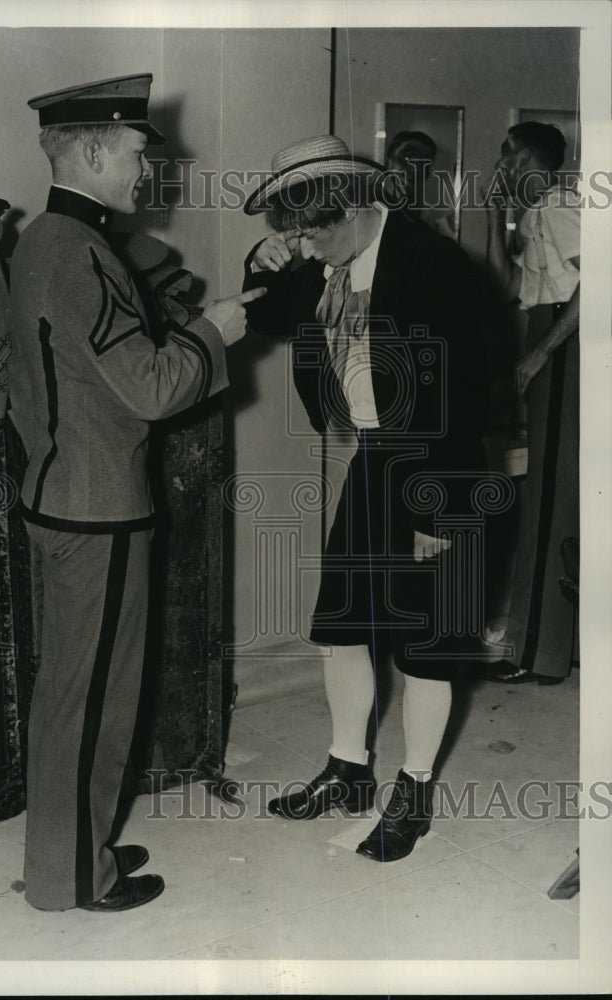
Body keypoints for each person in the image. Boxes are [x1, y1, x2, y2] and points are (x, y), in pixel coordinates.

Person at [8, 73, 263, 912]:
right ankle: (73, 877)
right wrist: (210, 330)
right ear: (90, 150)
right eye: (133, 153)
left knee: (76, 692)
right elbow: (150, 390)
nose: (144, 171)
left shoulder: (49, 240)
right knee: (89, 701)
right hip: (98, 506)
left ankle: (76, 846)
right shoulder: (78, 250)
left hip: (65, 493)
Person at [242, 134, 487, 862]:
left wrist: (440, 512)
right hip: (375, 460)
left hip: (435, 471)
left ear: (352, 207)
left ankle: (412, 792)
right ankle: (348, 768)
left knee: (427, 647)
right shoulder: (323, 258)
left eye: (312, 233)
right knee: (342, 626)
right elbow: (265, 316)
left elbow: (463, 395)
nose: (308, 251)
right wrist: (258, 263)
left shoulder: (433, 263)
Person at [482, 121, 580, 685]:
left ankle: (536, 654)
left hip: (564, 348)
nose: (501, 169)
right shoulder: (539, 212)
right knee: (553, 496)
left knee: (548, 502)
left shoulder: (563, 204)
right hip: (550, 337)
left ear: (526, 159)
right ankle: (551, 646)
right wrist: (494, 216)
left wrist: (540, 353)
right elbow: (503, 283)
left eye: (505, 157)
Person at [384, 130, 456, 239]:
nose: (415, 169)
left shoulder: (431, 223)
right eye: (407, 158)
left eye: (424, 165)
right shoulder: (368, 207)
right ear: (386, 162)